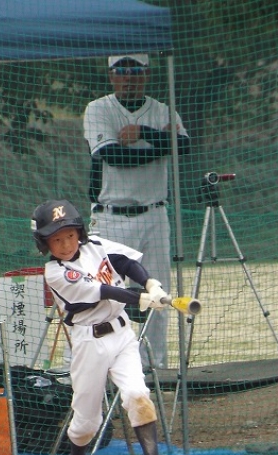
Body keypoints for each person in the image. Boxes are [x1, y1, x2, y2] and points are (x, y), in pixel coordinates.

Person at [31, 199, 168, 455]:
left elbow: (126, 263)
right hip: (88, 342)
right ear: (45, 243)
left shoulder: (95, 246)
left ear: (79, 232)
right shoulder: (55, 272)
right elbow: (104, 291)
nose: (66, 244)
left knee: (137, 394)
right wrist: (140, 298)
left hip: (121, 335)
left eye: (70, 235)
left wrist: (150, 284)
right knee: (86, 420)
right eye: (56, 239)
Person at [83, 54, 191, 369]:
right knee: (108, 295)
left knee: (158, 293)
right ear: (111, 75)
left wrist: (143, 132)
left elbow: (184, 147)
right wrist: (164, 143)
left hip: (154, 214)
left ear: (146, 74)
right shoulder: (98, 109)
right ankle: (112, 367)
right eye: (120, 70)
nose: (128, 77)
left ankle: (155, 366)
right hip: (111, 216)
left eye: (134, 70)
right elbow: (114, 156)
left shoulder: (162, 110)